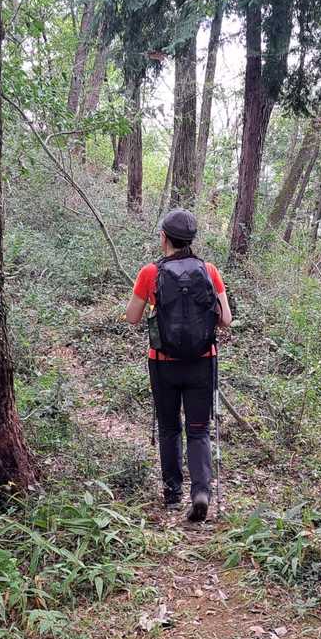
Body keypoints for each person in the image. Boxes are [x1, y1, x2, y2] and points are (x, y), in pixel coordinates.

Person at [123, 209, 233, 522]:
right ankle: (201, 493)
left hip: (163, 364)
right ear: (191, 240)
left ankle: (172, 494)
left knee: (169, 427)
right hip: (203, 362)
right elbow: (226, 319)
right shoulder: (209, 270)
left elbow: (132, 317)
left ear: (164, 237)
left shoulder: (150, 273)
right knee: (199, 430)